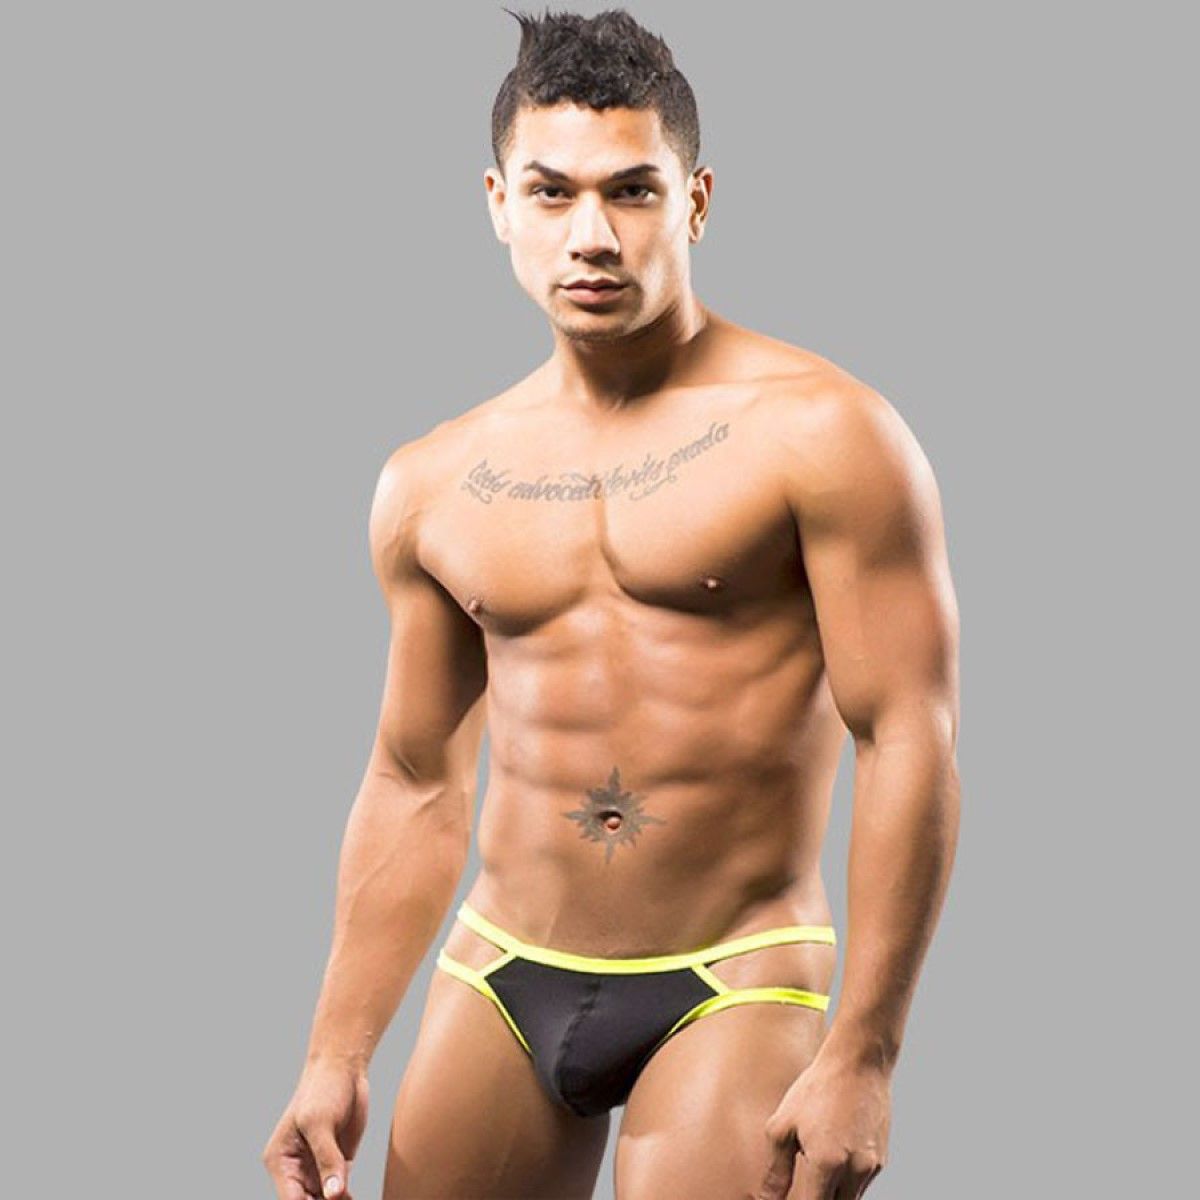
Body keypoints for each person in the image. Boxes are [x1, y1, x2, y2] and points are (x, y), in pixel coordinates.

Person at [262, 8, 961, 1199]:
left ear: (696, 202)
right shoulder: (433, 482)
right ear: (499, 204)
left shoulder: (823, 433)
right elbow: (416, 778)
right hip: (499, 965)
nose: (592, 235)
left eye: (633, 191)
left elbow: (907, 733)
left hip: (736, 972)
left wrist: (868, 1050)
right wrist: (335, 1051)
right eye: (552, 192)